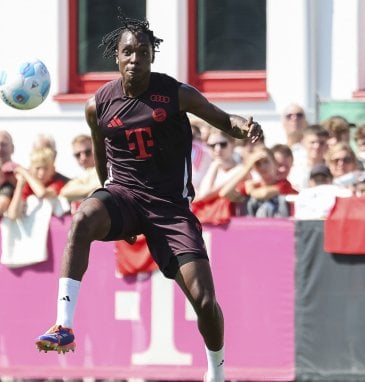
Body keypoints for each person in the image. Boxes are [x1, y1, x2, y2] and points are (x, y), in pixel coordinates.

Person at [34, 12, 263, 382]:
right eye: (128, 52)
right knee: (83, 218)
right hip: (123, 196)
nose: (134, 59)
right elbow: (101, 156)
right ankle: (63, 324)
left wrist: (246, 127)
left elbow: (224, 121)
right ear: (117, 57)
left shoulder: (174, 93)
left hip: (170, 209)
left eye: (142, 52)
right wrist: (108, 199)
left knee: (205, 301)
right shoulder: (98, 105)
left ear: (151, 56)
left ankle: (217, 372)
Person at [6, 147, 70, 220]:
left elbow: (42, 193)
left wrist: (24, 172)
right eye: (37, 168)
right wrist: (20, 184)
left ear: (53, 170)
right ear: (31, 168)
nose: (41, 173)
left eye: (46, 168)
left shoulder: (57, 183)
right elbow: (12, 214)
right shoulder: (27, 186)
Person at [59, 134, 101, 213]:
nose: (83, 157)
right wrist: (93, 187)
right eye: (78, 155)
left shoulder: (107, 168)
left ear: (95, 149)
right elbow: (65, 192)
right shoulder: (82, 176)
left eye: (87, 152)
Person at [288, 124, 330, 192]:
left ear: (327, 145)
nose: (317, 146)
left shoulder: (332, 168)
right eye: (312, 142)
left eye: (321, 143)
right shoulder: (292, 168)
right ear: (303, 142)